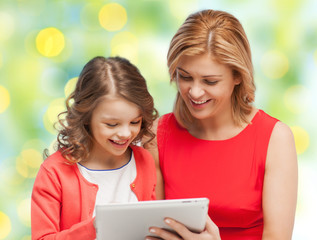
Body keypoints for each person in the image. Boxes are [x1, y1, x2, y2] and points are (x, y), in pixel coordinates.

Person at [144, 9, 298, 240]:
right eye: (185, 77)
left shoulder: (274, 139)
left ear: (238, 76)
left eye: (210, 81)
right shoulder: (158, 135)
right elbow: (149, 229)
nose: (194, 92)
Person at [31, 56, 158, 239]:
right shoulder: (54, 173)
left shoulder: (143, 160)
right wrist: (96, 227)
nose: (125, 133)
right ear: (87, 118)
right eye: (112, 124)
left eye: (134, 122)